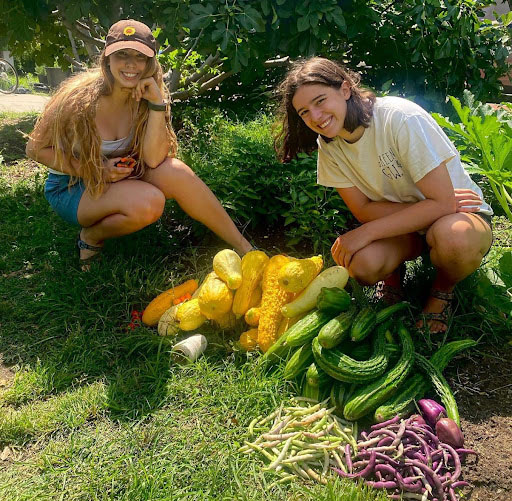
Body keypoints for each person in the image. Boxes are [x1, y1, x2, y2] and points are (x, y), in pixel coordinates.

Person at [274, 57, 493, 333]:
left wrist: (369, 232)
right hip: (421, 221)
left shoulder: (398, 118)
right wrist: (429, 208)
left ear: (344, 89)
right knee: (361, 265)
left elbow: (440, 204)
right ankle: (393, 277)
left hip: (459, 215)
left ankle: (442, 292)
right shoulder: (329, 145)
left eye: (320, 101)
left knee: (456, 240)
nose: (315, 117)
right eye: (304, 112)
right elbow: (363, 209)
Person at [26, 19, 253, 271]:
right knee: (149, 202)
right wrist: (96, 170)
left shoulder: (147, 96)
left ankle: (246, 248)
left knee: (176, 171)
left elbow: (155, 160)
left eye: (140, 57)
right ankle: (90, 237)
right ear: (107, 59)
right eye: (122, 54)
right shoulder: (76, 99)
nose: (131, 64)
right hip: (72, 185)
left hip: (120, 176)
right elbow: (35, 149)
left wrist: (157, 105)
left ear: (150, 63)